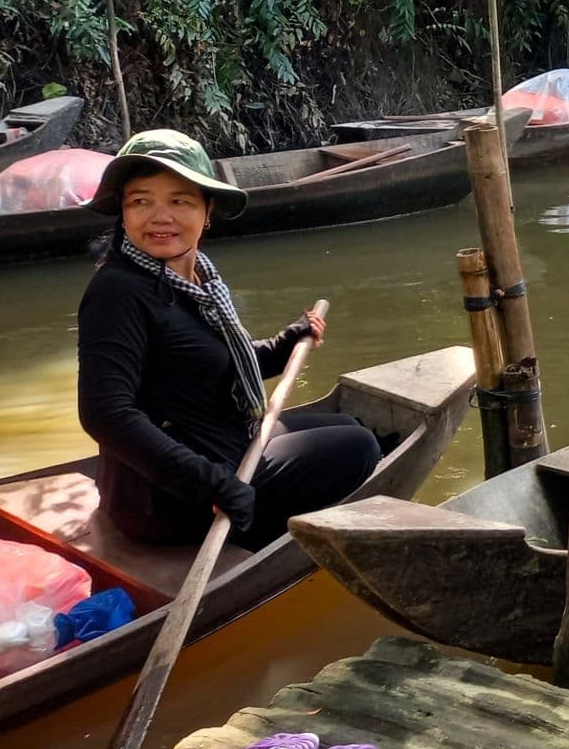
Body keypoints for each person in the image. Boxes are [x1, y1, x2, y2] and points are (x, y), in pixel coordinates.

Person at [76, 129, 381, 551]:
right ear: (123, 213)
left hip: (218, 444)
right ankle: (255, 544)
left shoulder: (197, 278)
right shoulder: (118, 291)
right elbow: (105, 413)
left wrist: (283, 344)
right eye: (141, 201)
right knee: (359, 447)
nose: (160, 217)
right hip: (167, 498)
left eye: (180, 201)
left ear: (208, 211)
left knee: (347, 425)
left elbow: (210, 364)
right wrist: (212, 483)